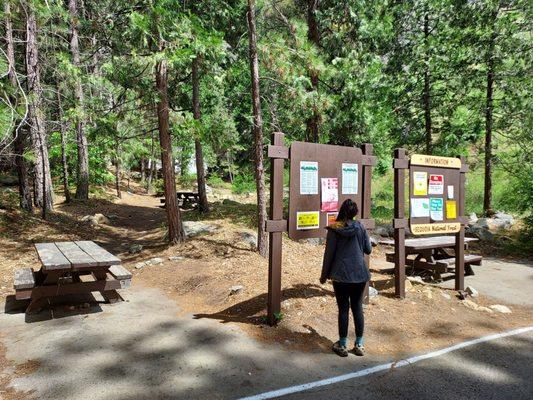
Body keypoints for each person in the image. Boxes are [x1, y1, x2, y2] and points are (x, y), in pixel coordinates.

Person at [320, 199, 372, 357]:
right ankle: (359, 344)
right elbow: (368, 250)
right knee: (357, 307)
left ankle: (342, 345)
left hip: (341, 275)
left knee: (343, 308)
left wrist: (324, 275)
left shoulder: (335, 229)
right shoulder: (361, 227)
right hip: (359, 274)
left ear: (341, 211)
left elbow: (329, 254)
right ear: (355, 212)